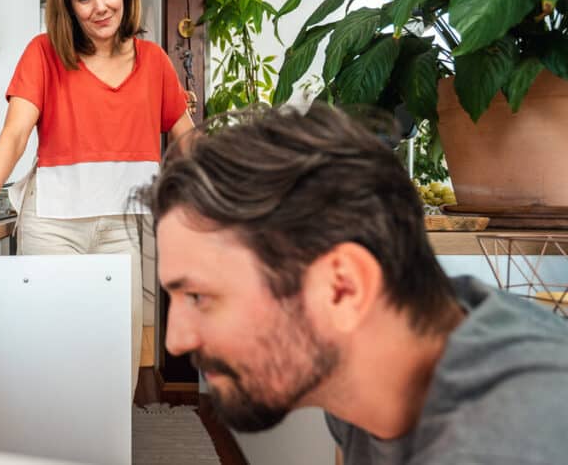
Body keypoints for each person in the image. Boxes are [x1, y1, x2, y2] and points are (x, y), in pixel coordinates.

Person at [139, 104, 568, 464]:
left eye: (199, 296)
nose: (175, 340)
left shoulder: (513, 440)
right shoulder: (378, 366)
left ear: (343, 287)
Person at [0, 0, 194, 391]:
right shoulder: (44, 53)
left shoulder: (154, 61)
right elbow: (14, 135)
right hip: (52, 226)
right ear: (68, 6)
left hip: (123, 227)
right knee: (51, 357)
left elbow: (188, 141)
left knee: (115, 361)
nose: (100, 7)